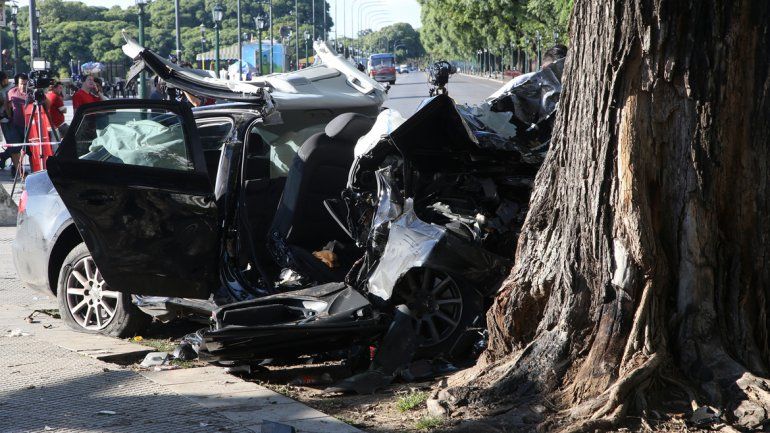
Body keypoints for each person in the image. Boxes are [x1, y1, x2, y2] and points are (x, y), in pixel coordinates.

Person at [6, 73, 32, 177]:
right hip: (16, 125)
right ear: (17, 84)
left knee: (31, 150)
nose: (23, 86)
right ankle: (19, 172)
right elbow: (7, 105)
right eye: (21, 84)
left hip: (29, 126)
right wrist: (9, 116)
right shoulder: (12, 92)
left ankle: (35, 170)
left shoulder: (31, 93)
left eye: (25, 84)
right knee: (15, 150)